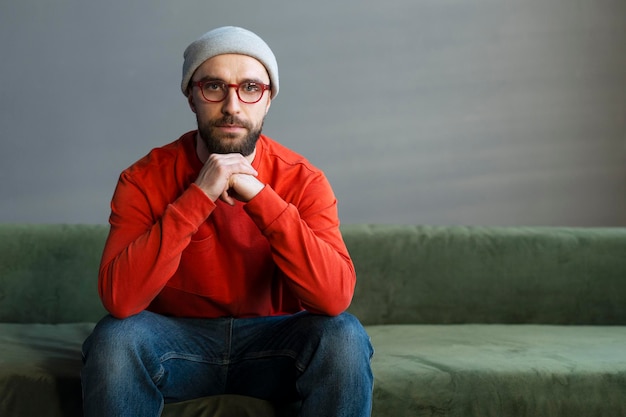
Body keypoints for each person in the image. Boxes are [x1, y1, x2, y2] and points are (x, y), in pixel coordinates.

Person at [81, 26, 374, 417]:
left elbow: (333, 298)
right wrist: (197, 197)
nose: (233, 106)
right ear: (191, 97)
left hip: (276, 348)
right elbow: (120, 300)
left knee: (344, 336)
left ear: (268, 100)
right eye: (215, 87)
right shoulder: (143, 179)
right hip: (176, 346)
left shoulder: (304, 180)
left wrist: (261, 198)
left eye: (251, 88)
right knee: (115, 339)